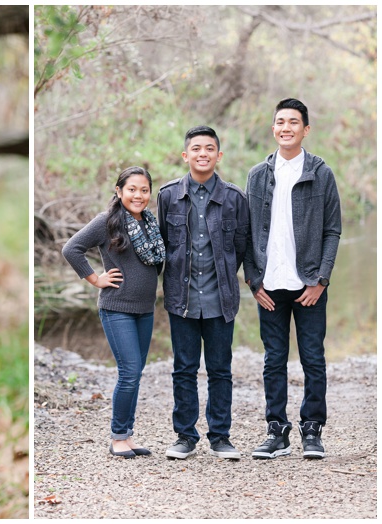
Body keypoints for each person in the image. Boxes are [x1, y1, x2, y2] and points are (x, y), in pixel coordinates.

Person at [244, 98, 341, 460]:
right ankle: (277, 431)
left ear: (306, 129)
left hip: (309, 284)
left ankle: (312, 430)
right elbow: (246, 233)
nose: (286, 128)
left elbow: (332, 230)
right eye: (280, 122)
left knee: (313, 357)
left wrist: (321, 279)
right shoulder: (257, 175)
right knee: (273, 359)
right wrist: (254, 281)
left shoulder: (321, 172)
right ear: (274, 128)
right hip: (269, 285)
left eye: (294, 122)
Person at [157, 125, 248, 460]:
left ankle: (221, 436)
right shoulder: (168, 196)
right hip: (181, 300)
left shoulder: (234, 198)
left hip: (220, 300)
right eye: (196, 148)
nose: (203, 154)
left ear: (218, 155)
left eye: (209, 148)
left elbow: (240, 248)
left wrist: (224, 278)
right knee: (183, 368)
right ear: (185, 155)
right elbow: (162, 244)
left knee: (221, 369)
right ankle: (185, 436)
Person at [62, 166, 165, 459]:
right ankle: (117, 437)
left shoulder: (150, 223)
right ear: (119, 192)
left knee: (136, 372)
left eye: (144, 190)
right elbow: (72, 249)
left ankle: (128, 435)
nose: (138, 195)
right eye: (132, 189)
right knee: (129, 371)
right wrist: (96, 279)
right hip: (116, 308)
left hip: (145, 310)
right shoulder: (107, 221)